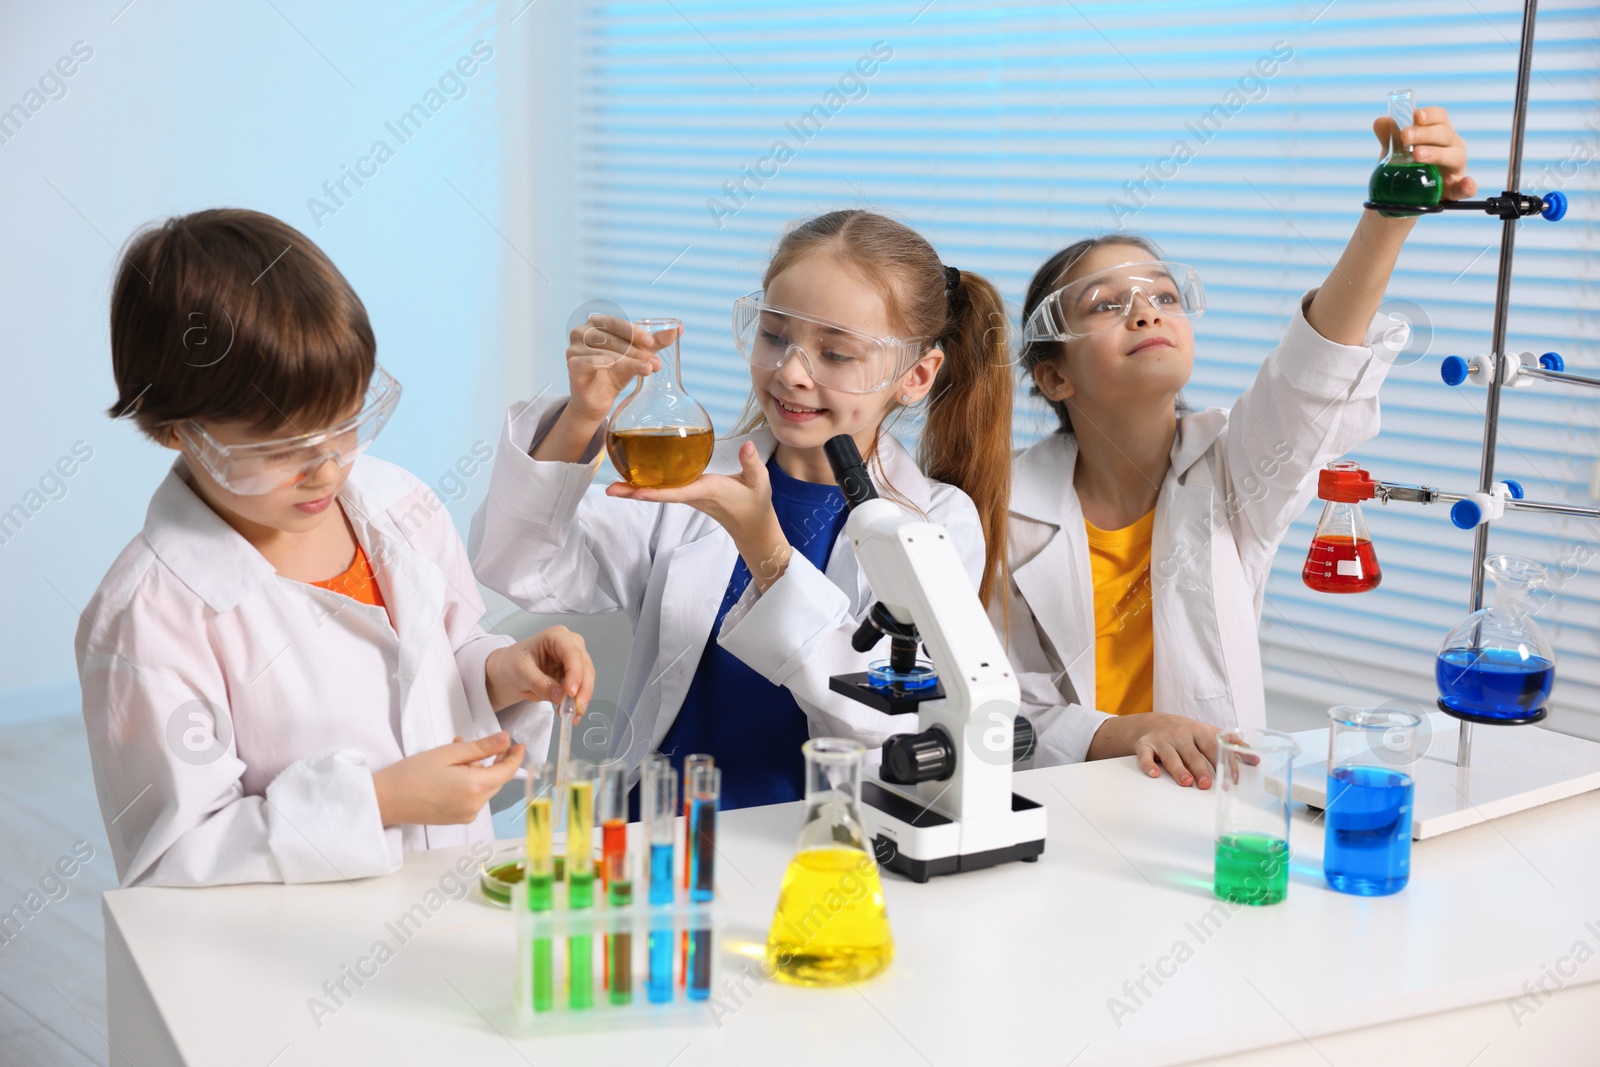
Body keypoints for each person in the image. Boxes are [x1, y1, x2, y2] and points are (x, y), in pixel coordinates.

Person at [78, 208, 594, 887]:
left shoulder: (399, 509)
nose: (325, 465)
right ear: (178, 431)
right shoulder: (149, 613)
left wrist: (503, 673)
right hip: (295, 962)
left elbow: (447, 656)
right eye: (283, 446)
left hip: (450, 901)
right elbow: (175, 860)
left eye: (345, 422)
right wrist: (379, 802)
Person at [996, 106, 1477, 786]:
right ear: (1053, 376)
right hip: (1060, 808)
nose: (1145, 309)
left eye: (1164, 293)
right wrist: (1117, 731)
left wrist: (1387, 216)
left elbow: (1311, 377)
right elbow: (997, 707)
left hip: (1208, 811)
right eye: (1105, 304)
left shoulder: (1233, 471)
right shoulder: (999, 509)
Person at [470, 210, 1012, 809]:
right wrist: (582, 415)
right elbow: (519, 564)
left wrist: (768, 554)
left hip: (815, 848)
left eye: (836, 354)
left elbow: (885, 727)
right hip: (657, 836)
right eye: (775, 336)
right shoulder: (694, 482)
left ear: (915, 376)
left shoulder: (937, 524)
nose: (791, 373)